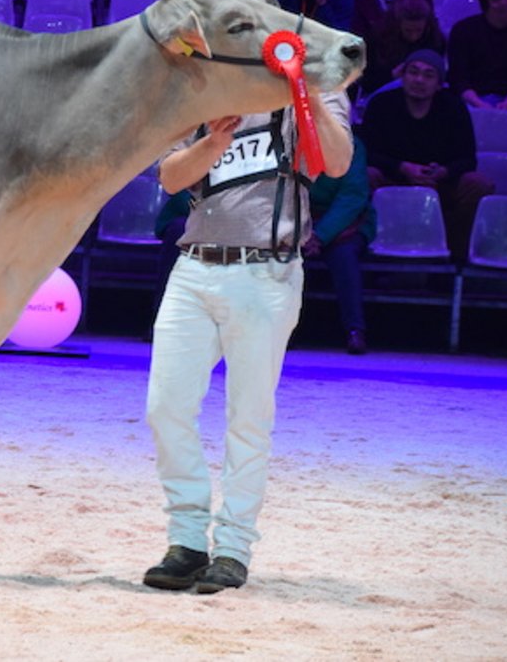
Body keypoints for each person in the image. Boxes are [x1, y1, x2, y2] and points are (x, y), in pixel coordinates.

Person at [143, 91, 353, 594]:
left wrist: (304, 91)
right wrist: (214, 140)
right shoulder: (207, 88)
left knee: (248, 417)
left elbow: (339, 162)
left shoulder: (318, 89)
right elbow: (171, 177)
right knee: (165, 408)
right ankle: (188, 541)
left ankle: (233, 548)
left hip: (268, 272)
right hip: (193, 267)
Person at [359, 49, 496, 260]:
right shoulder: (381, 104)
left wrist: (442, 172)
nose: (419, 80)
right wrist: (401, 167)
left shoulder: (454, 108)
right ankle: (368, 251)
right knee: (366, 176)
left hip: (439, 182)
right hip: (393, 178)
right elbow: (366, 151)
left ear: (439, 84)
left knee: (478, 183)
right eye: (413, 72)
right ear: (403, 76)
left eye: (428, 75)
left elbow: (468, 159)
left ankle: (455, 255)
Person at [303, 136, 376, 354]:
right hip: (301, 219)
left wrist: (319, 235)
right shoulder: (292, 139)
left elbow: (352, 196)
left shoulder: (352, 145)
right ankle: (286, 331)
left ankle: (355, 330)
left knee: (343, 256)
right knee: (286, 257)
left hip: (347, 222)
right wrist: (301, 230)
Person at [447, 0, 507, 112]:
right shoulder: (463, 30)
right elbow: (459, 78)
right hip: (472, 100)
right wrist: (479, 104)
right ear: (493, 1)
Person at [362, 0, 447, 96]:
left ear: (427, 25)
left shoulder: (436, 40)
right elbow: (365, 81)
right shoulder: (377, 39)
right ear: (397, 24)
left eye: (419, 30)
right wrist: (391, 75)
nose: (413, 36)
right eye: (408, 31)